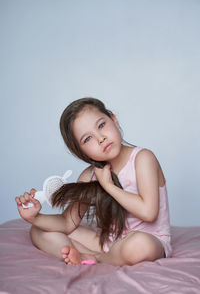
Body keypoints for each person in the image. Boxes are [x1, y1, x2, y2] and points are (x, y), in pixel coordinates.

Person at [15, 97, 172, 266]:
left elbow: (149, 212)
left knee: (139, 244)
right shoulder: (89, 175)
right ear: (81, 152)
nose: (100, 138)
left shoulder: (142, 158)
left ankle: (95, 258)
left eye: (101, 125)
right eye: (87, 139)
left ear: (114, 120)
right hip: (108, 242)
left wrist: (109, 186)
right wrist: (35, 218)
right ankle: (81, 254)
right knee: (39, 231)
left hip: (149, 241)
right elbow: (68, 223)